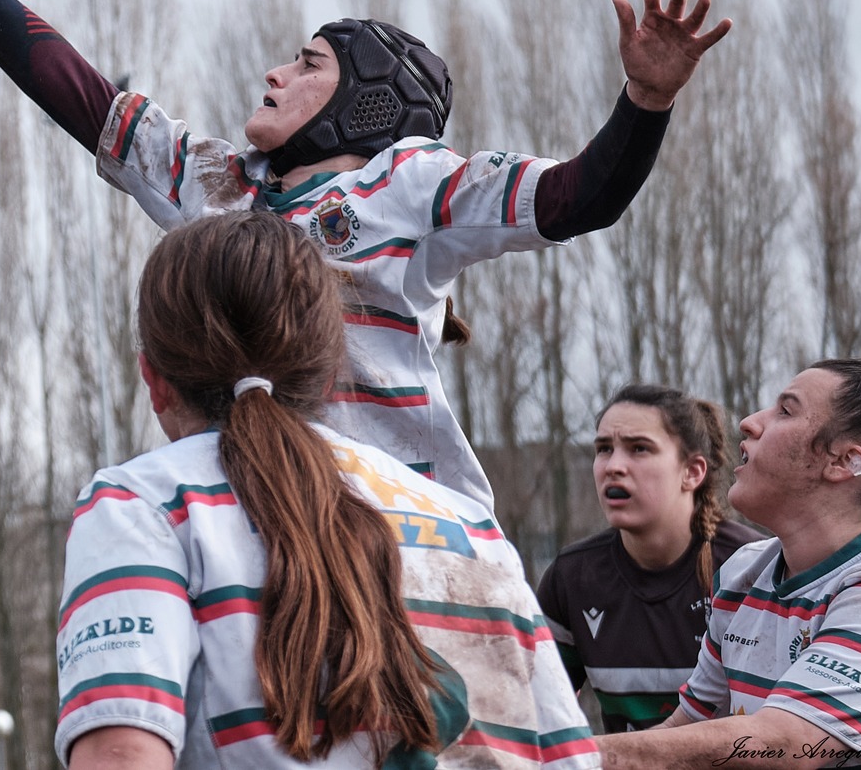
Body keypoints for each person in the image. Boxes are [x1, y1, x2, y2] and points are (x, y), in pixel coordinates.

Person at [0, 0, 730, 510]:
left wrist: (646, 100)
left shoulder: (414, 181)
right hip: (274, 518)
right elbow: (79, 94)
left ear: (369, 102)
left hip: (407, 528)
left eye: (309, 62)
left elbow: (580, 198)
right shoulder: (220, 189)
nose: (276, 71)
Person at [57, 211, 595, 769]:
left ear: (153, 378)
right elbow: (571, 761)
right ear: (331, 368)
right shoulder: (472, 527)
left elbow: (120, 757)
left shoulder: (140, 506)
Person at [596, 359, 861, 769]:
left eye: (785, 410)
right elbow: (685, 728)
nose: (749, 423)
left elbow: (786, 743)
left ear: (844, 462)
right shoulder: (744, 572)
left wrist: (565, 756)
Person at [536, 384, 760, 731]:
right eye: (604, 449)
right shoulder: (571, 577)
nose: (614, 466)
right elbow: (538, 714)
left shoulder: (751, 570)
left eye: (639, 449)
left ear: (692, 472)